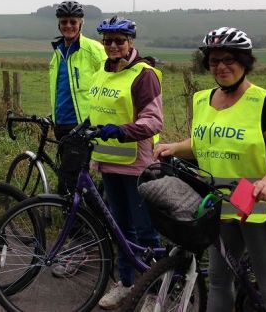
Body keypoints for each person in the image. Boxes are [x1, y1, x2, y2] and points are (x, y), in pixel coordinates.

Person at [154, 27, 266, 312]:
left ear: (245, 61)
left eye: (229, 59)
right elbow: (204, 142)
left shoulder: (265, 103)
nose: (221, 66)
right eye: (214, 60)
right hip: (221, 203)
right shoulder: (202, 99)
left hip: (258, 206)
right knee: (219, 281)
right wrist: (173, 147)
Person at [89, 16, 163, 310]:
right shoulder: (101, 71)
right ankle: (127, 282)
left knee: (145, 231)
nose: (113, 46)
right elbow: (96, 110)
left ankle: (157, 288)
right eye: (108, 41)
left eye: (119, 40)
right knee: (120, 228)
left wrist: (121, 131)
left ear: (131, 42)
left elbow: (153, 121)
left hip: (137, 164)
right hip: (107, 162)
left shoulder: (144, 75)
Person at [49, 0, 106, 194]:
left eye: (72, 22)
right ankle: (92, 216)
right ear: (59, 24)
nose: (68, 26)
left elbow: (110, 79)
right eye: (64, 22)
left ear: (81, 23)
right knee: (76, 176)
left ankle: (73, 222)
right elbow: (59, 88)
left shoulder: (94, 49)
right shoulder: (57, 53)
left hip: (81, 124)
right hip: (61, 123)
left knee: (68, 179)